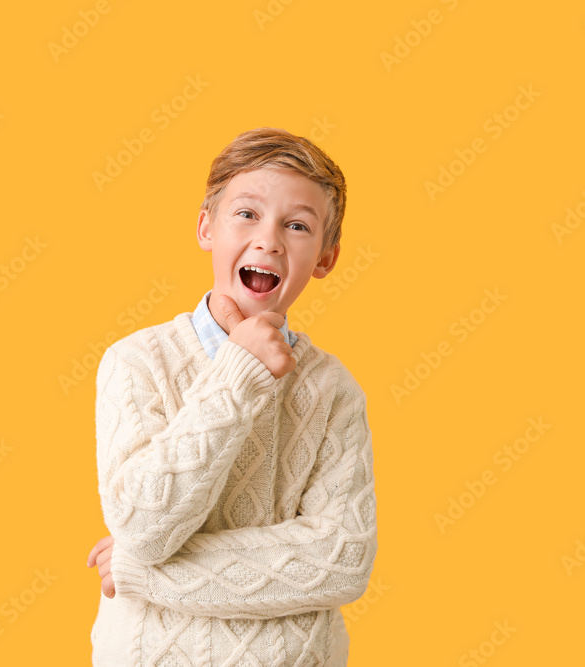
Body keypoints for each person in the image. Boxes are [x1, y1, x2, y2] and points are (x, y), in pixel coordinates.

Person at [86, 127, 377, 666]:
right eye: (246, 214)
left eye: (296, 225)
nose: (268, 239)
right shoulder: (136, 362)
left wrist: (138, 572)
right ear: (205, 228)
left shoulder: (333, 390)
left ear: (325, 258)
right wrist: (238, 373)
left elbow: (343, 559)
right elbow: (145, 528)